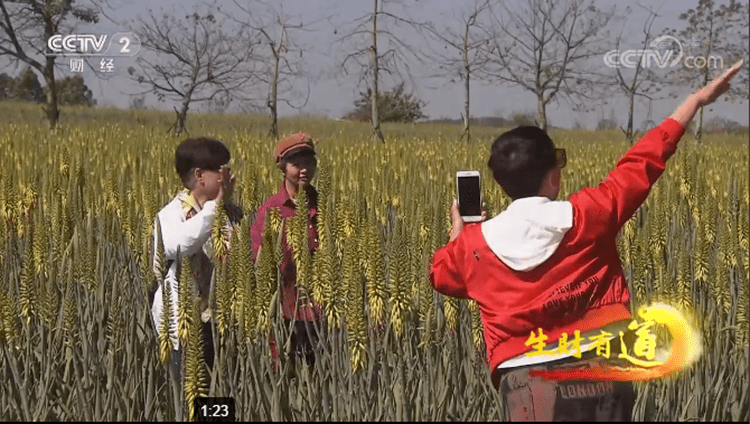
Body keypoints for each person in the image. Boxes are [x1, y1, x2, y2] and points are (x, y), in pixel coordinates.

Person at [429, 60, 743, 421]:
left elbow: (442, 274)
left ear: (500, 184)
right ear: (554, 175)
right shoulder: (591, 214)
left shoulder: (473, 248)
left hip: (527, 383)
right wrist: (696, 101)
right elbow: (643, 162)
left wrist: (462, 230)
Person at [150, 137, 242, 384]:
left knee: (220, 395)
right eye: (221, 167)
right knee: (188, 394)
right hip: (183, 327)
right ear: (200, 175)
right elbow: (180, 244)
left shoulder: (230, 214)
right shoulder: (170, 215)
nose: (228, 173)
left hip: (220, 323)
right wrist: (217, 207)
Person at [250, 132, 322, 370]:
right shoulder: (271, 209)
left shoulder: (325, 206)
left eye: (309, 162)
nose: (304, 170)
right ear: (282, 167)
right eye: (296, 164)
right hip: (284, 312)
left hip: (321, 312)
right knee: (284, 373)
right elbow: (257, 258)